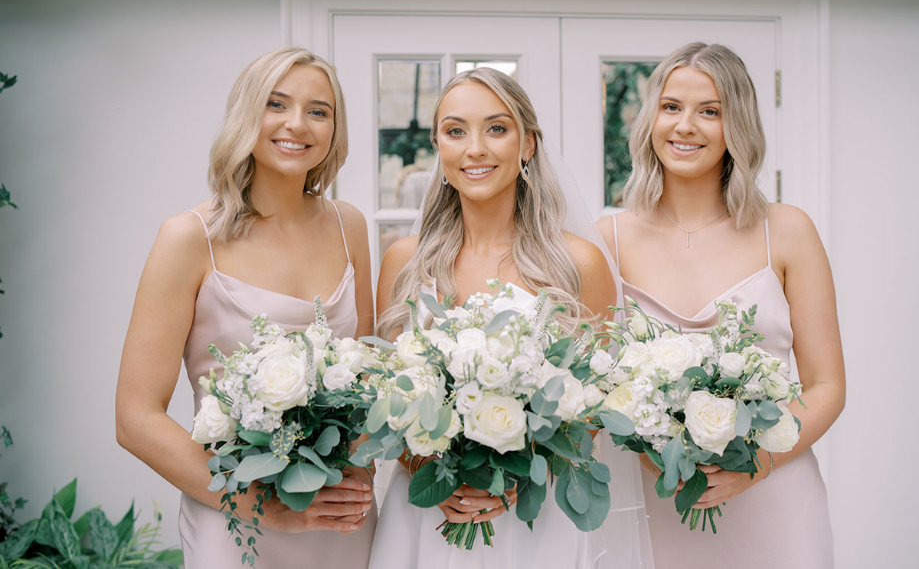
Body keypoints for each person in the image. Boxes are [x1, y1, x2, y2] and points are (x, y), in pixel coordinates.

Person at [370, 68, 651, 569]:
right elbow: (390, 402)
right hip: (429, 516)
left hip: (535, 520)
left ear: (527, 145)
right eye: (456, 131)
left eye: (496, 128)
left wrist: (520, 479)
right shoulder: (403, 261)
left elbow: (595, 408)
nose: (474, 148)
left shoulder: (578, 263)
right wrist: (432, 474)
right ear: (439, 145)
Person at [115, 48, 377, 568]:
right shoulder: (190, 237)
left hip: (339, 518)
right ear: (246, 115)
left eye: (319, 111)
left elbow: (367, 377)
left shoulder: (350, 226)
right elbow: (134, 418)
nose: (297, 124)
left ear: (334, 130)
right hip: (239, 522)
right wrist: (265, 507)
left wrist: (356, 476)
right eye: (276, 104)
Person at [598, 42, 844, 568]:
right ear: (650, 120)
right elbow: (593, 389)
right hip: (655, 507)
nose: (686, 125)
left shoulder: (788, 231)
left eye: (710, 111)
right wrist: (654, 455)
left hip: (776, 502)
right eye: (671, 107)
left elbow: (827, 386)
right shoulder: (606, 241)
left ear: (739, 126)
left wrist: (754, 463)